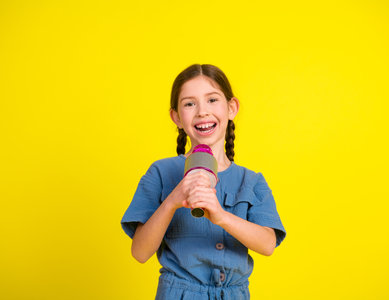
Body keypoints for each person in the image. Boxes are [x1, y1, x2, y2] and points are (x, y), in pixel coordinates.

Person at [121, 64, 286, 299]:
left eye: (212, 100)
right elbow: (139, 252)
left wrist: (221, 216)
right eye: (189, 103)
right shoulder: (161, 172)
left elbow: (268, 245)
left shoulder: (251, 181)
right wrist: (172, 201)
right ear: (176, 117)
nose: (202, 112)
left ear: (231, 108)